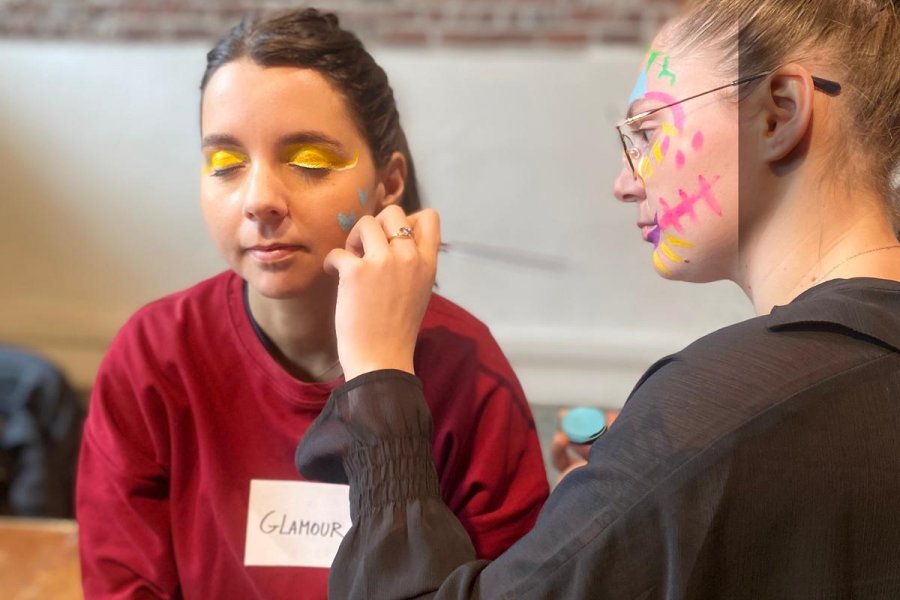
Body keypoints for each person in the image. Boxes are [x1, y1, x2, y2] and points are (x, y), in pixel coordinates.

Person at [295, 0, 900, 597]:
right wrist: (635, 493)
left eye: (646, 131)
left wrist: (377, 374)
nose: (624, 182)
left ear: (779, 113)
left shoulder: (720, 406)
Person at [76, 8, 549, 599]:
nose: (260, 200)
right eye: (225, 163)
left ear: (390, 182)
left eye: (308, 162)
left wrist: (383, 383)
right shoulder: (154, 356)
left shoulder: (465, 367)